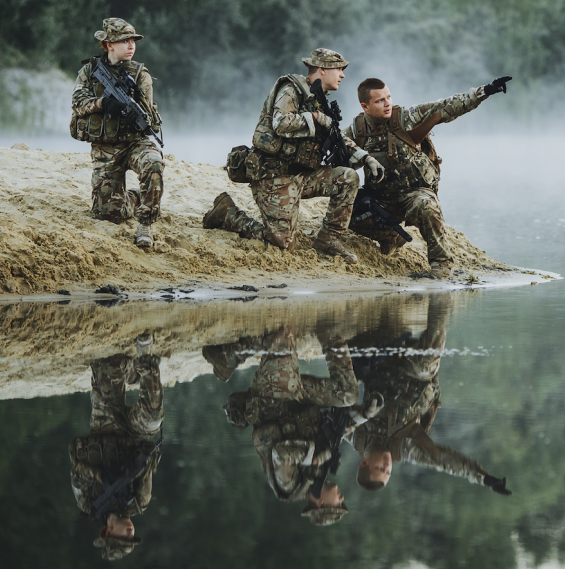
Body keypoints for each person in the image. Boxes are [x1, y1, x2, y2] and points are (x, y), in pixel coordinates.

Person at [202, 48, 384, 264]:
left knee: (348, 178)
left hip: (302, 175)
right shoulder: (292, 90)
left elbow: (336, 136)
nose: (343, 75)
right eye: (339, 69)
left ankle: (328, 240)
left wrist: (366, 158)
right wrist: (315, 118)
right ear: (322, 70)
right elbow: (280, 123)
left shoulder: (319, 99)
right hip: (274, 176)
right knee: (282, 245)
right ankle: (226, 213)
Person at [344, 74, 512, 278]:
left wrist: (484, 91)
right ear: (365, 106)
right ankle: (391, 237)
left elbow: (446, 106)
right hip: (382, 200)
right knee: (347, 213)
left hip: (414, 193)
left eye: (389, 97)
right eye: (380, 100)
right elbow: (341, 153)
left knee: (425, 205)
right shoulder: (357, 130)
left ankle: (441, 265)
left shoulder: (405, 117)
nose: (388, 103)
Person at [213, 327, 378, 526]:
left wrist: (313, 457)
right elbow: (338, 430)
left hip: (273, 400)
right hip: (301, 398)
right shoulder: (319, 472)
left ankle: (227, 357)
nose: (342, 499)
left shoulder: (289, 485)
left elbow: (281, 454)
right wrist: (365, 415)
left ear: (321, 503)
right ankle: (327, 328)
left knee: (282, 335)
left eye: (338, 504)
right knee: (349, 394)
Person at [348, 295, 511, 496]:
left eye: (380, 468)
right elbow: (442, 461)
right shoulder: (405, 449)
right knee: (428, 359)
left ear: (365, 462)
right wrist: (483, 478)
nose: (387, 465)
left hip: (381, 365)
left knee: (359, 348)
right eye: (388, 471)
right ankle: (440, 295)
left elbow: (326, 419)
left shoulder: (356, 435)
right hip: (414, 373)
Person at [70, 18, 164, 249]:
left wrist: (137, 117)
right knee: (109, 214)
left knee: (154, 162)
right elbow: (78, 104)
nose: (131, 45)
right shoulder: (90, 71)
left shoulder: (141, 75)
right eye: (124, 41)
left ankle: (145, 224)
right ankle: (135, 197)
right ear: (109, 44)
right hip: (105, 149)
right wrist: (105, 103)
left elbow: (151, 120)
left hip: (134, 144)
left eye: (133, 40)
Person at [69, 334, 163, 560]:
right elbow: (147, 459)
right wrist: (131, 469)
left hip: (105, 427)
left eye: (124, 537)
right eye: (132, 538)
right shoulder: (140, 501)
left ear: (108, 531)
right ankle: (144, 358)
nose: (131, 533)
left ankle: (128, 372)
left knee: (108, 363)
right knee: (153, 418)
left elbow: (76, 472)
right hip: (135, 434)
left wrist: (103, 476)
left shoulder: (89, 502)